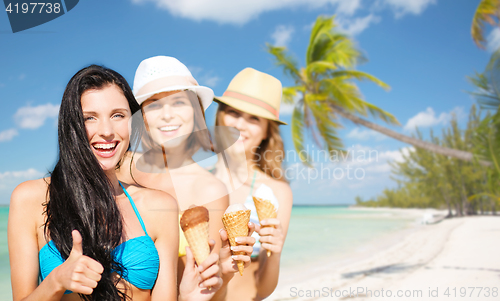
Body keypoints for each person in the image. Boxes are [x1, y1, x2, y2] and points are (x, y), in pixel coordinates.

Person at [8, 65, 221, 301]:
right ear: (71, 125)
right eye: (90, 118)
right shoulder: (31, 198)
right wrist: (56, 282)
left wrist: (190, 298)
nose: (107, 131)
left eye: (118, 115)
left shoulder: (161, 206)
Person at [116, 56, 255, 300]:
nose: (167, 115)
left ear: (195, 110)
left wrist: (224, 272)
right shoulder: (118, 167)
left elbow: (206, 289)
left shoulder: (211, 190)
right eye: (154, 104)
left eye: (178, 102)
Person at [212, 68, 294, 300]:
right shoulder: (194, 177)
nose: (240, 124)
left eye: (254, 118)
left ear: (268, 130)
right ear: (220, 116)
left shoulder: (277, 192)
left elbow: (264, 289)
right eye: (233, 113)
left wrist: (275, 254)